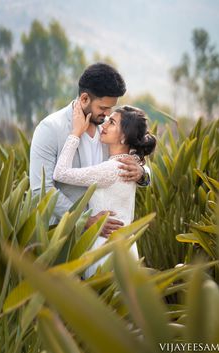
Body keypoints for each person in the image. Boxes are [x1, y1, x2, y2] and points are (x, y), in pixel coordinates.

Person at [30, 63, 150, 234]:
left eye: (111, 108)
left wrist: (141, 173)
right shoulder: (50, 128)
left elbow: (139, 160)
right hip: (63, 236)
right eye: (103, 108)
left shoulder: (109, 128)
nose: (108, 114)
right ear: (85, 99)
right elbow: (41, 189)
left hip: (105, 240)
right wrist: (83, 219)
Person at [53, 102, 156, 277]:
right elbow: (142, 168)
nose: (104, 125)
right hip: (127, 249)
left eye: (112, 123)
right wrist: (142, 172)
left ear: (124, 137)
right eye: (108, 120)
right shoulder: (131, 163)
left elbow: (60, 173)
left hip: (105, 251)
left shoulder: (111, 169)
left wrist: (75, 133)